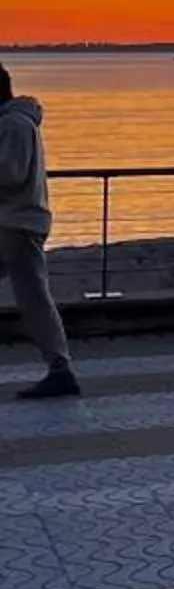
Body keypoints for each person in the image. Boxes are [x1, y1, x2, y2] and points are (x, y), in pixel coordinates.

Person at [0, 64, 81, 399]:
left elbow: (10, 174)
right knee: (34, 295)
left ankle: (60, 369)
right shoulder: (15, 123)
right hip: (14, 222)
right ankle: (59, 368)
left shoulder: (14, 125)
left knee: (34, 297)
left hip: (17, 224)